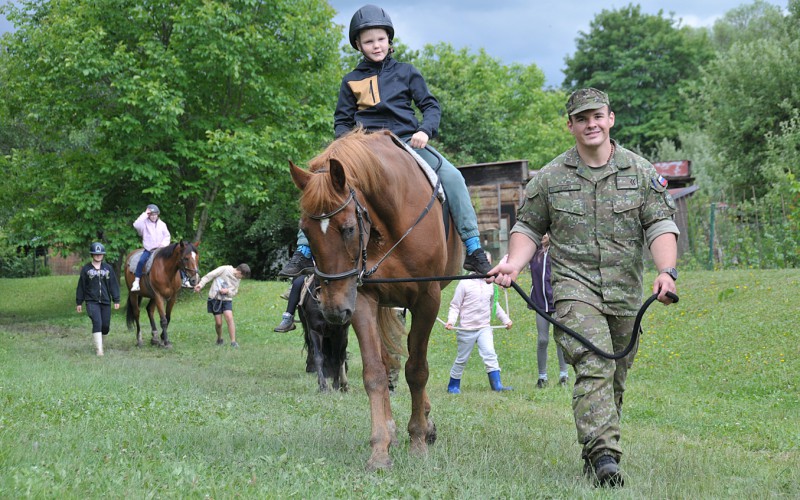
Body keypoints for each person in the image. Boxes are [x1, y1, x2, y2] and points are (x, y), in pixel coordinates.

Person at [488, 88, 679, 487]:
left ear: (610, 119)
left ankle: (596, 450)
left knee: (615, 375)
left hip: (625, 292)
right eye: (581, 118)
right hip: (574, 289)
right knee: (595, 365)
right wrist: (514, 263)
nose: (590, 124)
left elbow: (660, 225)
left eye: (597, 116)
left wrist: (666, 271)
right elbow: (527, 227)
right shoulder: (550, 178)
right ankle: (606, 458)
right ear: (571, 125)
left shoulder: (641, 173)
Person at [278, 3, 492, 279]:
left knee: (453, 177)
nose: (376, 45)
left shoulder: (406, 72)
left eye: (380, 39)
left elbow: (430, 106)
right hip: (364, 149)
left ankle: (473, 249)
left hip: (405, 142)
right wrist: (348, 146)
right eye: (368, 41)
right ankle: (303, 251)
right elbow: (342, 121)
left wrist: (425, 131)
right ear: (358, 44)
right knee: (321, 185)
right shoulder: (351, 81)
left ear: (389, 39)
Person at [445, 252, 513, 393]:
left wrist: (506, 320)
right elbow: (455, 305)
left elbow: (494, 305)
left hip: (484, 328)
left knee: (490, 354)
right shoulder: (464, 283)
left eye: (488, 263)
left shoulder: (490, 284)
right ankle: (453, 385)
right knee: (462, 359)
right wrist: (451, 321)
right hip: (467, 329)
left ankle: (497, 385)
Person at [528, 233, 569, 388]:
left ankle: (564, 375)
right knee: (542, 340)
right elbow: (513, 259)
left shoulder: (560, 250)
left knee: (560, 338)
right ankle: (542, 377)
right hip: (540, 301)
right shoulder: (535, 251)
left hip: (558, 301)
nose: (544, 235)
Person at [75, 242, 121, 356]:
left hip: (105, 301)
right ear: (92, 254)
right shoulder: (86, 269)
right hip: (91, 302)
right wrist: (79, 302)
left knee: (105, 326)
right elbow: (81, 286)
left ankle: (101, 343)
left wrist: (116, 299)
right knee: (97, 322)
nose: (98, 255)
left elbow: (113, 284)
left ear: (103, 255)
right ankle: (99, 350)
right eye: (96, 253)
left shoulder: (108, 268)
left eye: (100, 254)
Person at [194, 263, 251, 347]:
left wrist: (227, 291)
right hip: (215, 299)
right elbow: (210, 275)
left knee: (229, 318)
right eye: (241, 276)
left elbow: (234, 292)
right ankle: (219, 339)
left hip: (226, 300)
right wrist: (200, 285)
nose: (241, 278)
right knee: (219, 323)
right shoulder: (224, 269)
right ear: (239, 271)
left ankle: (233, 342)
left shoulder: (238, 279)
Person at [130, 204, 171, 292]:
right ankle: (136, 281)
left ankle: (184, 279)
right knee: (141, 261)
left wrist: (163, 245)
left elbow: (167, 236)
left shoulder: (162, 224)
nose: (153, 216)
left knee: (175, 258)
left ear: (158, 214)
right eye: (151, 215)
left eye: (155, 214)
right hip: (149, 250)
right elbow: (136, 225)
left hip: (161, 249)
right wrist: (145, 213)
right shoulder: (144, 224)